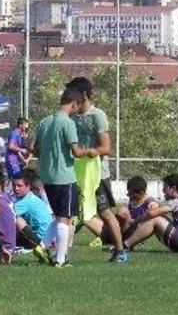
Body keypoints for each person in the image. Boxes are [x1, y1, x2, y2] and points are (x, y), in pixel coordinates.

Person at [30, 84, 96, 267]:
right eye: (78, 107)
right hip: (64, 177)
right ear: (74, 104)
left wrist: (47, 156)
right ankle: (61, 259)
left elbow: (34, 148)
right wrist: (90, 151)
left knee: (59, 216)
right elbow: (76, 151)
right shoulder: (67, 123)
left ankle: (42, 246)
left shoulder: (44, 122)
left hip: (47, 176)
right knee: (66, 218)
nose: (77, 111)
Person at [67, 76, 127, 264]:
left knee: (105, 213)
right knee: (71, 213)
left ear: (84, 94)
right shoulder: (71, 116)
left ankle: (120, 250)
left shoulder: (97, 115)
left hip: (97, 175)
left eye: (73, 94)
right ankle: (61, 252)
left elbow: (106, 147)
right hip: (77, 173)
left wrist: (88, 152)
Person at [123, 173, 178, 254]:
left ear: (173, 188)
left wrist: (135, 222)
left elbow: (151, 213)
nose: (163, 190)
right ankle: (129, 243)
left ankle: (124, 245)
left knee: (155, 219)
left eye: (165, 187)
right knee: (159, 216)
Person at [96, 176, 158, 247]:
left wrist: (137, 223)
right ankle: (110, 236)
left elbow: (151, 224)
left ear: (141, 192)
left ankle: (113, 238)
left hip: (136, 231)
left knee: (123, 211)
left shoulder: (151, 204)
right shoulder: (134, 200)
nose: (129, 195)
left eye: (131, 194)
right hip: (127, 229)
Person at [11, 169, 53, 243]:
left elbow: (7, 214)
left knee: (14, 218)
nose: (16, 188)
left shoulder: (26, 202)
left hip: (40, 239)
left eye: (20, 186)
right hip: (48, 236)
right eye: (14, 185)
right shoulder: (30, 196)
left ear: (28, 186)